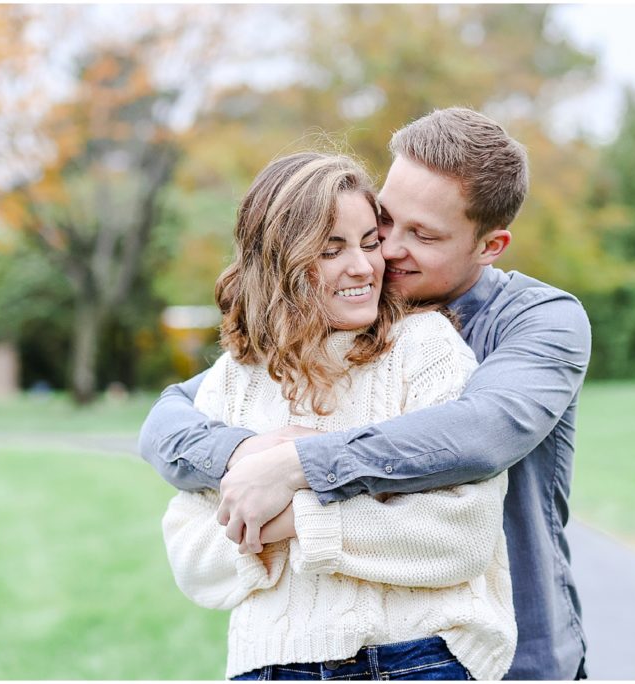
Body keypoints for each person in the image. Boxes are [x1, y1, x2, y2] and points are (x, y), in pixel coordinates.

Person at [139, 108, 592, 680]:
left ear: (491, 245)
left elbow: (477, 433)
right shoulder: (331, 328)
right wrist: (244, 459)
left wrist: (295, 469)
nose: (386, 253)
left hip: (519, 654)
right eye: (385, 224)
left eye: (422, 235)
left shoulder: (540, 320)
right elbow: (168, 423)